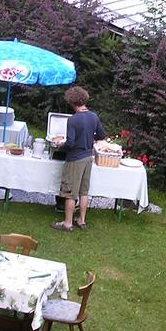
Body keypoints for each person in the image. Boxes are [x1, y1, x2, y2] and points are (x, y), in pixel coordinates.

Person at [51, 86, 105, 231]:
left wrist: (59, 145)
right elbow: (101, 135)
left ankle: (68, 223)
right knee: (84, 191)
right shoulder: (93, 116)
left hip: (75, 159)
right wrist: (89, 137)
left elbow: (71, 143)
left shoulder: (73, 120)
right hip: (88, 157)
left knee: (70, 192)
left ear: (71, 102)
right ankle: (81, 220)